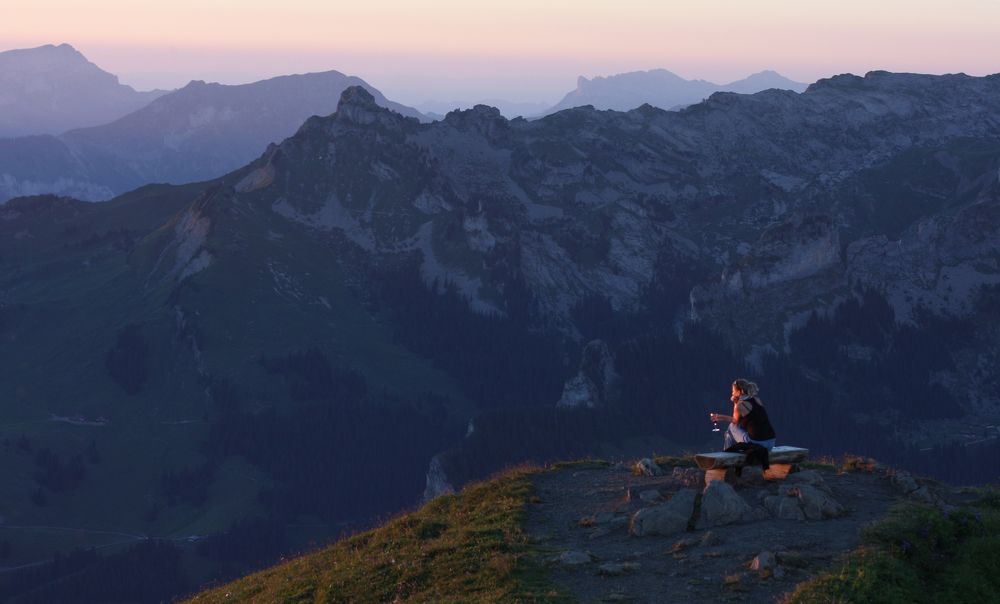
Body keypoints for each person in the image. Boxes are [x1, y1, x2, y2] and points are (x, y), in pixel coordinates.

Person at [709, 379, 776, 451]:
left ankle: (727, 454)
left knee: (731, 427)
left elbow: (735, 421)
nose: (732, 393)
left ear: (739, 392)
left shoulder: (740, 404)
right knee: (740, 427)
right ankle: (731, 451)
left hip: (757, 444)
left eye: (733, 391)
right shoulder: (756, 399)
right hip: (771, 442)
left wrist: (719, 417)